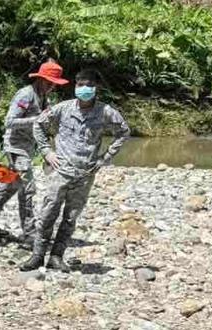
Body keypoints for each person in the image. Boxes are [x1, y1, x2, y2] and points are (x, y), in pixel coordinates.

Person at [20, 68, 130, 272]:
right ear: (75, 87)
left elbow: (123, 132)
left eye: (89, 85)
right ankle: (37, 256)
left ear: (96, 88)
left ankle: (56, 256)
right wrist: (46, 151)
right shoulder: (63, 108)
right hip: (60, 171)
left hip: (85, 174)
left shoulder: (105, 112)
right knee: (47, 214)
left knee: (70, 218)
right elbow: (38, 126)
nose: (84, 89)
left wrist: (105, 158)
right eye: (80, 85)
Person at [0, 60, 69, 242]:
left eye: (54, 84)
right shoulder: (26, 95)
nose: (52, 87)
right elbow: (9, 121)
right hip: (15, 148)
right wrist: (37, 119)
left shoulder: (44, 97)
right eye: (49, 83)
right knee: (28, 189)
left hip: (28, 149)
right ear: (40, 79)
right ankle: (29, 233)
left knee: (8, 187)